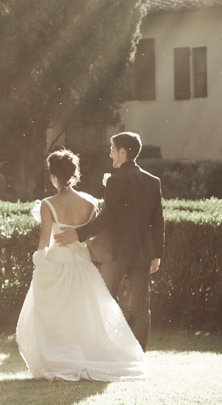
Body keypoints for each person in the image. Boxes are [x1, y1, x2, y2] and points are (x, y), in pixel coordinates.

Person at [15, 148, 147, 381]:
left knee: (57, 316)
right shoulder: (89, 202)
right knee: (83, 314)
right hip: (82, 264)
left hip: (57, 263)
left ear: (54, 175)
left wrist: (38, 263)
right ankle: (85, 355)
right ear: (74, 173)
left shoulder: (48, 204)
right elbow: (93, 235)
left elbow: (44, 241)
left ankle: (62, 357)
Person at [55, 132, 164, 350]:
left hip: (116, 253)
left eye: (113, 149)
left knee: (105, 303)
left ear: (123, 152)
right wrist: (157, 254)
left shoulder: (115, 180)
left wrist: (78, 233)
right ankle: (139, 355)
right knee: (142, 309)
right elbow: (158, 221)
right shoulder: (153, 181)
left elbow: (107, 217)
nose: (110, 154)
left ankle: (107, 351)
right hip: (143, 254)